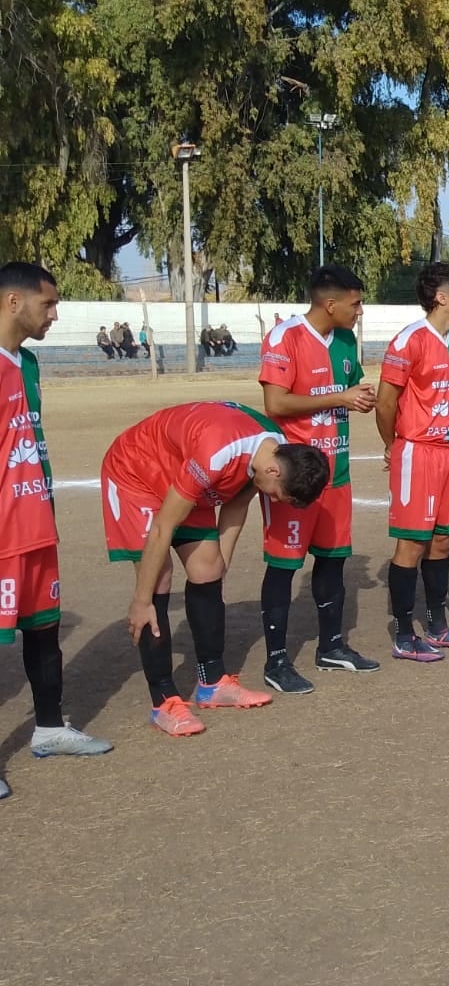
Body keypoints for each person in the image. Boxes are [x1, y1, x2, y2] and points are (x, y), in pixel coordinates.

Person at [104, 401, 328, 736]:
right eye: (280, 496)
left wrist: (222, 560)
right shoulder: (217, 453)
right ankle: (164, 701)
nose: (277, 502)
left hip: (183, 473)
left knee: (207, 569)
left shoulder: (275, 450)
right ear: (274, 472)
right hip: (138, 471)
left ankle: (212, 683)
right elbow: (164, 527)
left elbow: (237, 502)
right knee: (158, 578)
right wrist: (140, 600)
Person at [0, 264, 112, 797]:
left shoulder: (28, 362)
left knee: (43, 631)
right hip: (2, 532)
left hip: (35, 523)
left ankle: (49, 728)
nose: (55, 313)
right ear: (13, 301)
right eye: (48, 304)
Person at [257, 266, 382, 693]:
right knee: (284, 566)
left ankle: (331, 647)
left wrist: (360, 396)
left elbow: (349, 387)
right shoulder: (285, 337)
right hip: (294, 480)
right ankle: (276, 662)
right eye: (355, 303)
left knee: (333, 559)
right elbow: (275, 402)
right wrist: (340, 397)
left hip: (338, 472)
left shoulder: (345, 341)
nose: (360, 311)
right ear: (331, 304)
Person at [376, 261, 449, 662]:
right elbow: (386, 403)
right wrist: (395, 444)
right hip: (418, 452)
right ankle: (404, 634)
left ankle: (437, 625)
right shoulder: (409, 341)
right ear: (441, 296)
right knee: (412, 544)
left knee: (442, 540)